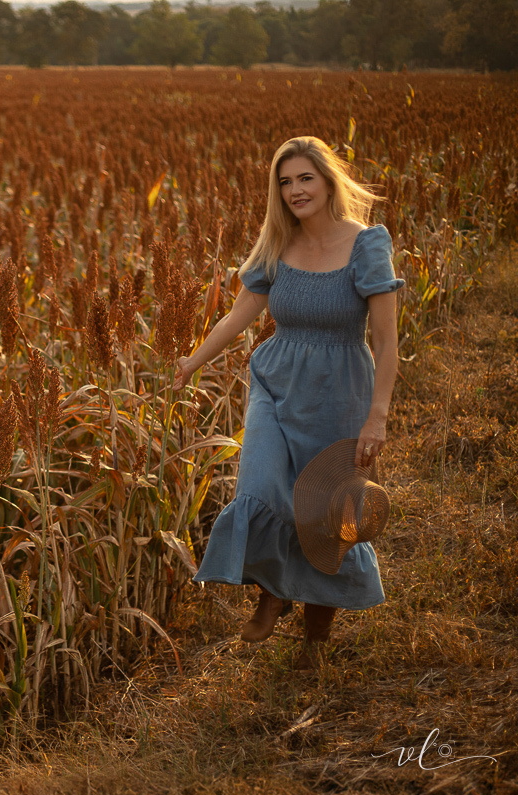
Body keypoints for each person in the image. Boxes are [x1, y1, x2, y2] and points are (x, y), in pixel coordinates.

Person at [173, 136, 403, 670]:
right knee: (258, 486)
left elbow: (387, 341)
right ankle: (273, 592)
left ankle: (314, 643)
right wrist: (191, 362)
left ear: (327, 181)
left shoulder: (367, 245)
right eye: (285, 181)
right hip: (275, 385)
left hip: (341, 393)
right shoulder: (278, 244)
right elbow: (238, 317)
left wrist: (378, 415)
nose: (295, 190)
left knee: (327, 516)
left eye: (305, 178)